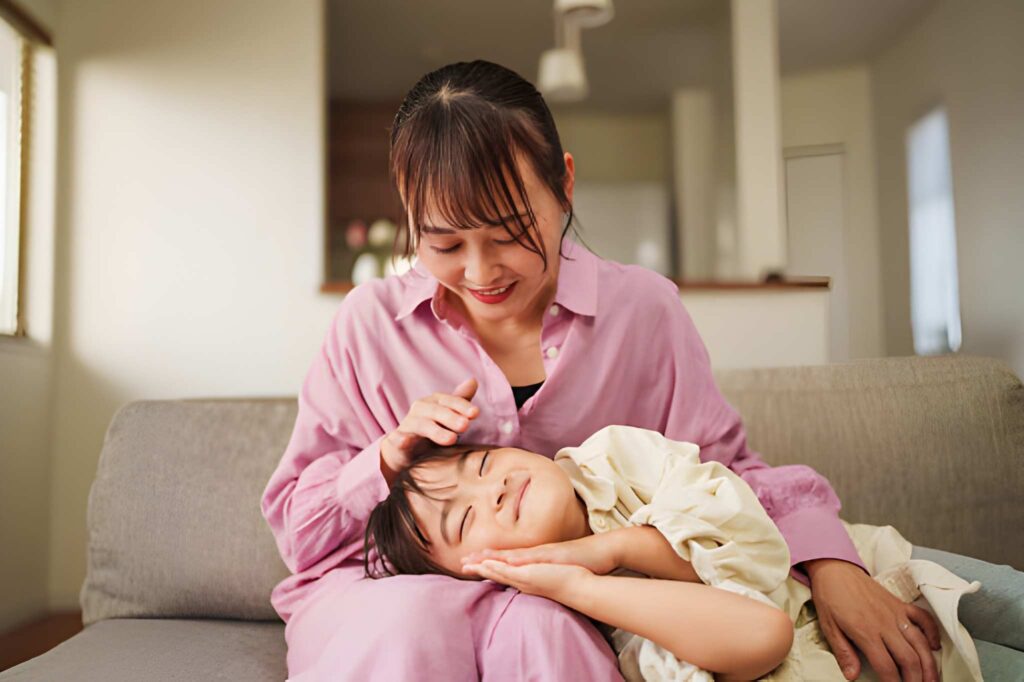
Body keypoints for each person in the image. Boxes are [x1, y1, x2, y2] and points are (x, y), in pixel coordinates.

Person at [261, 59, 1023, 682]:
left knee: (979, 603)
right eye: (444, 244)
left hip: (673, 585)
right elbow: (301, 537)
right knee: (445, 622)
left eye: (507, 232)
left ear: (563, 184)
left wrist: (830, 564)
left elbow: (726, 473)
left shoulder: (641, 312)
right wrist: (385, 457)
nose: (479, 271)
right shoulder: (371, 327)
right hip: (441, 599)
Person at [362, 425, 982, 681]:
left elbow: (750, 542)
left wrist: (605, 549)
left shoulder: (614, 458)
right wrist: (581, 584)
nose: (492, 487)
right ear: (483, 572)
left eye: (483, 463)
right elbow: (762, 634)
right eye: (467, 516)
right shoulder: (591, 628)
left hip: (872, 567)